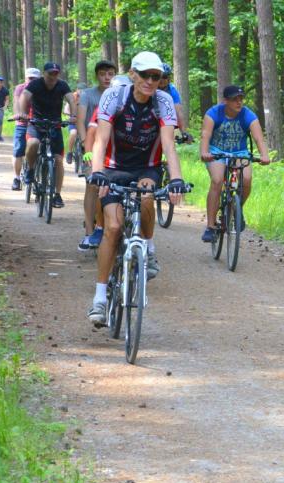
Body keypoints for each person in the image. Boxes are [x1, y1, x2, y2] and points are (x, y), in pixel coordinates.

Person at [87, 52, 186, 326]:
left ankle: (148, 248)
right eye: (145, 75)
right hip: (113, 168)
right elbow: (100, 139)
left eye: (156, 76)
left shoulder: (163, 102)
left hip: (146, 168)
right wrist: (97, 172)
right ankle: (99, 298)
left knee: (146, 198)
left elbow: (169, 144)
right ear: (133, 74)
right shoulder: (114, 96)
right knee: (113, 227)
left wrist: (176, 179)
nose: (150, 81)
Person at [199, 85, 270, 242]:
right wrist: (204, 152)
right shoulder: (213, 113)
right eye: (234, 99)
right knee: (217, 180)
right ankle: (210, 227)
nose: (239, 102)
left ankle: (236, 209)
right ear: (225, 101)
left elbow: (258, 138)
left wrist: (264, 155)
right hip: (216, 151)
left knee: (246, 179)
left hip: (240, 152)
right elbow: (205, 135)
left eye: (241, 99)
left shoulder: (248, 115)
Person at [17, 62, 76, 208]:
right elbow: (24, 96)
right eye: (50, 73)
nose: (53, 76)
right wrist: (23, 113)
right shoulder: (36, 84)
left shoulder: (62, 85)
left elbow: (71, 99)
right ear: (44, 73)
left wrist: (73, 115)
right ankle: (30, 170)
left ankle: (57, 194)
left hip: (55, 125)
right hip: (36, 123)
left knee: (58, 160)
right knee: (33, 143)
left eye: (56, 73)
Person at [76, 60, 117, 252]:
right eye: (102, 74)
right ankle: (89, 232)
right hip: (91, 146)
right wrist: (86, 146)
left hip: (114, 148)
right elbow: (81, 121)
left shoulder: (121, 94)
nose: (107, 78)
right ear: (97, 76)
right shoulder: (88, 95)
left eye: (110, 74)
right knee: (93, 185)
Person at [10, 68, 40, 191]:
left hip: (38, 123)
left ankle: (40, 176)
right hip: (22, 122)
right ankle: (17, 178)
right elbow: (16, 102)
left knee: (42, 149)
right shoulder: (20, 88)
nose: (32, 81)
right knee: (18, 150)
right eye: (30, 78)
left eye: (35, 79)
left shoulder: (42, 89)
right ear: (25, 78)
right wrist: (18, 114)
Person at [157, 63, 192, 142]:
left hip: (164, 119)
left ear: (169, 78)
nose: (161, 80)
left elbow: (178, 112)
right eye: (159, 76)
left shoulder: (172, 90)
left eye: (164, 77)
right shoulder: (151, 87)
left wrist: (183, 132)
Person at [65, 83, 88, 164]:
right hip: (74, 121)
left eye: (83, 90)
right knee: (73, 133)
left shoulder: (87, 97)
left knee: (88, 136)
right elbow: (66, 109)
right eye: (80, 90)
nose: (81, 92)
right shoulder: (72, 97)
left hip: (83, 121)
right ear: (77, 90)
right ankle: (70, 152)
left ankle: (86, 153)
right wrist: (71, 115)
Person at [0, 76, 9, 145]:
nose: (0, 83)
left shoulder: (5, 90)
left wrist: (5, 106)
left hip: (1, 108)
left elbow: (7, 99)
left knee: (0, 123)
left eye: (1, 82)